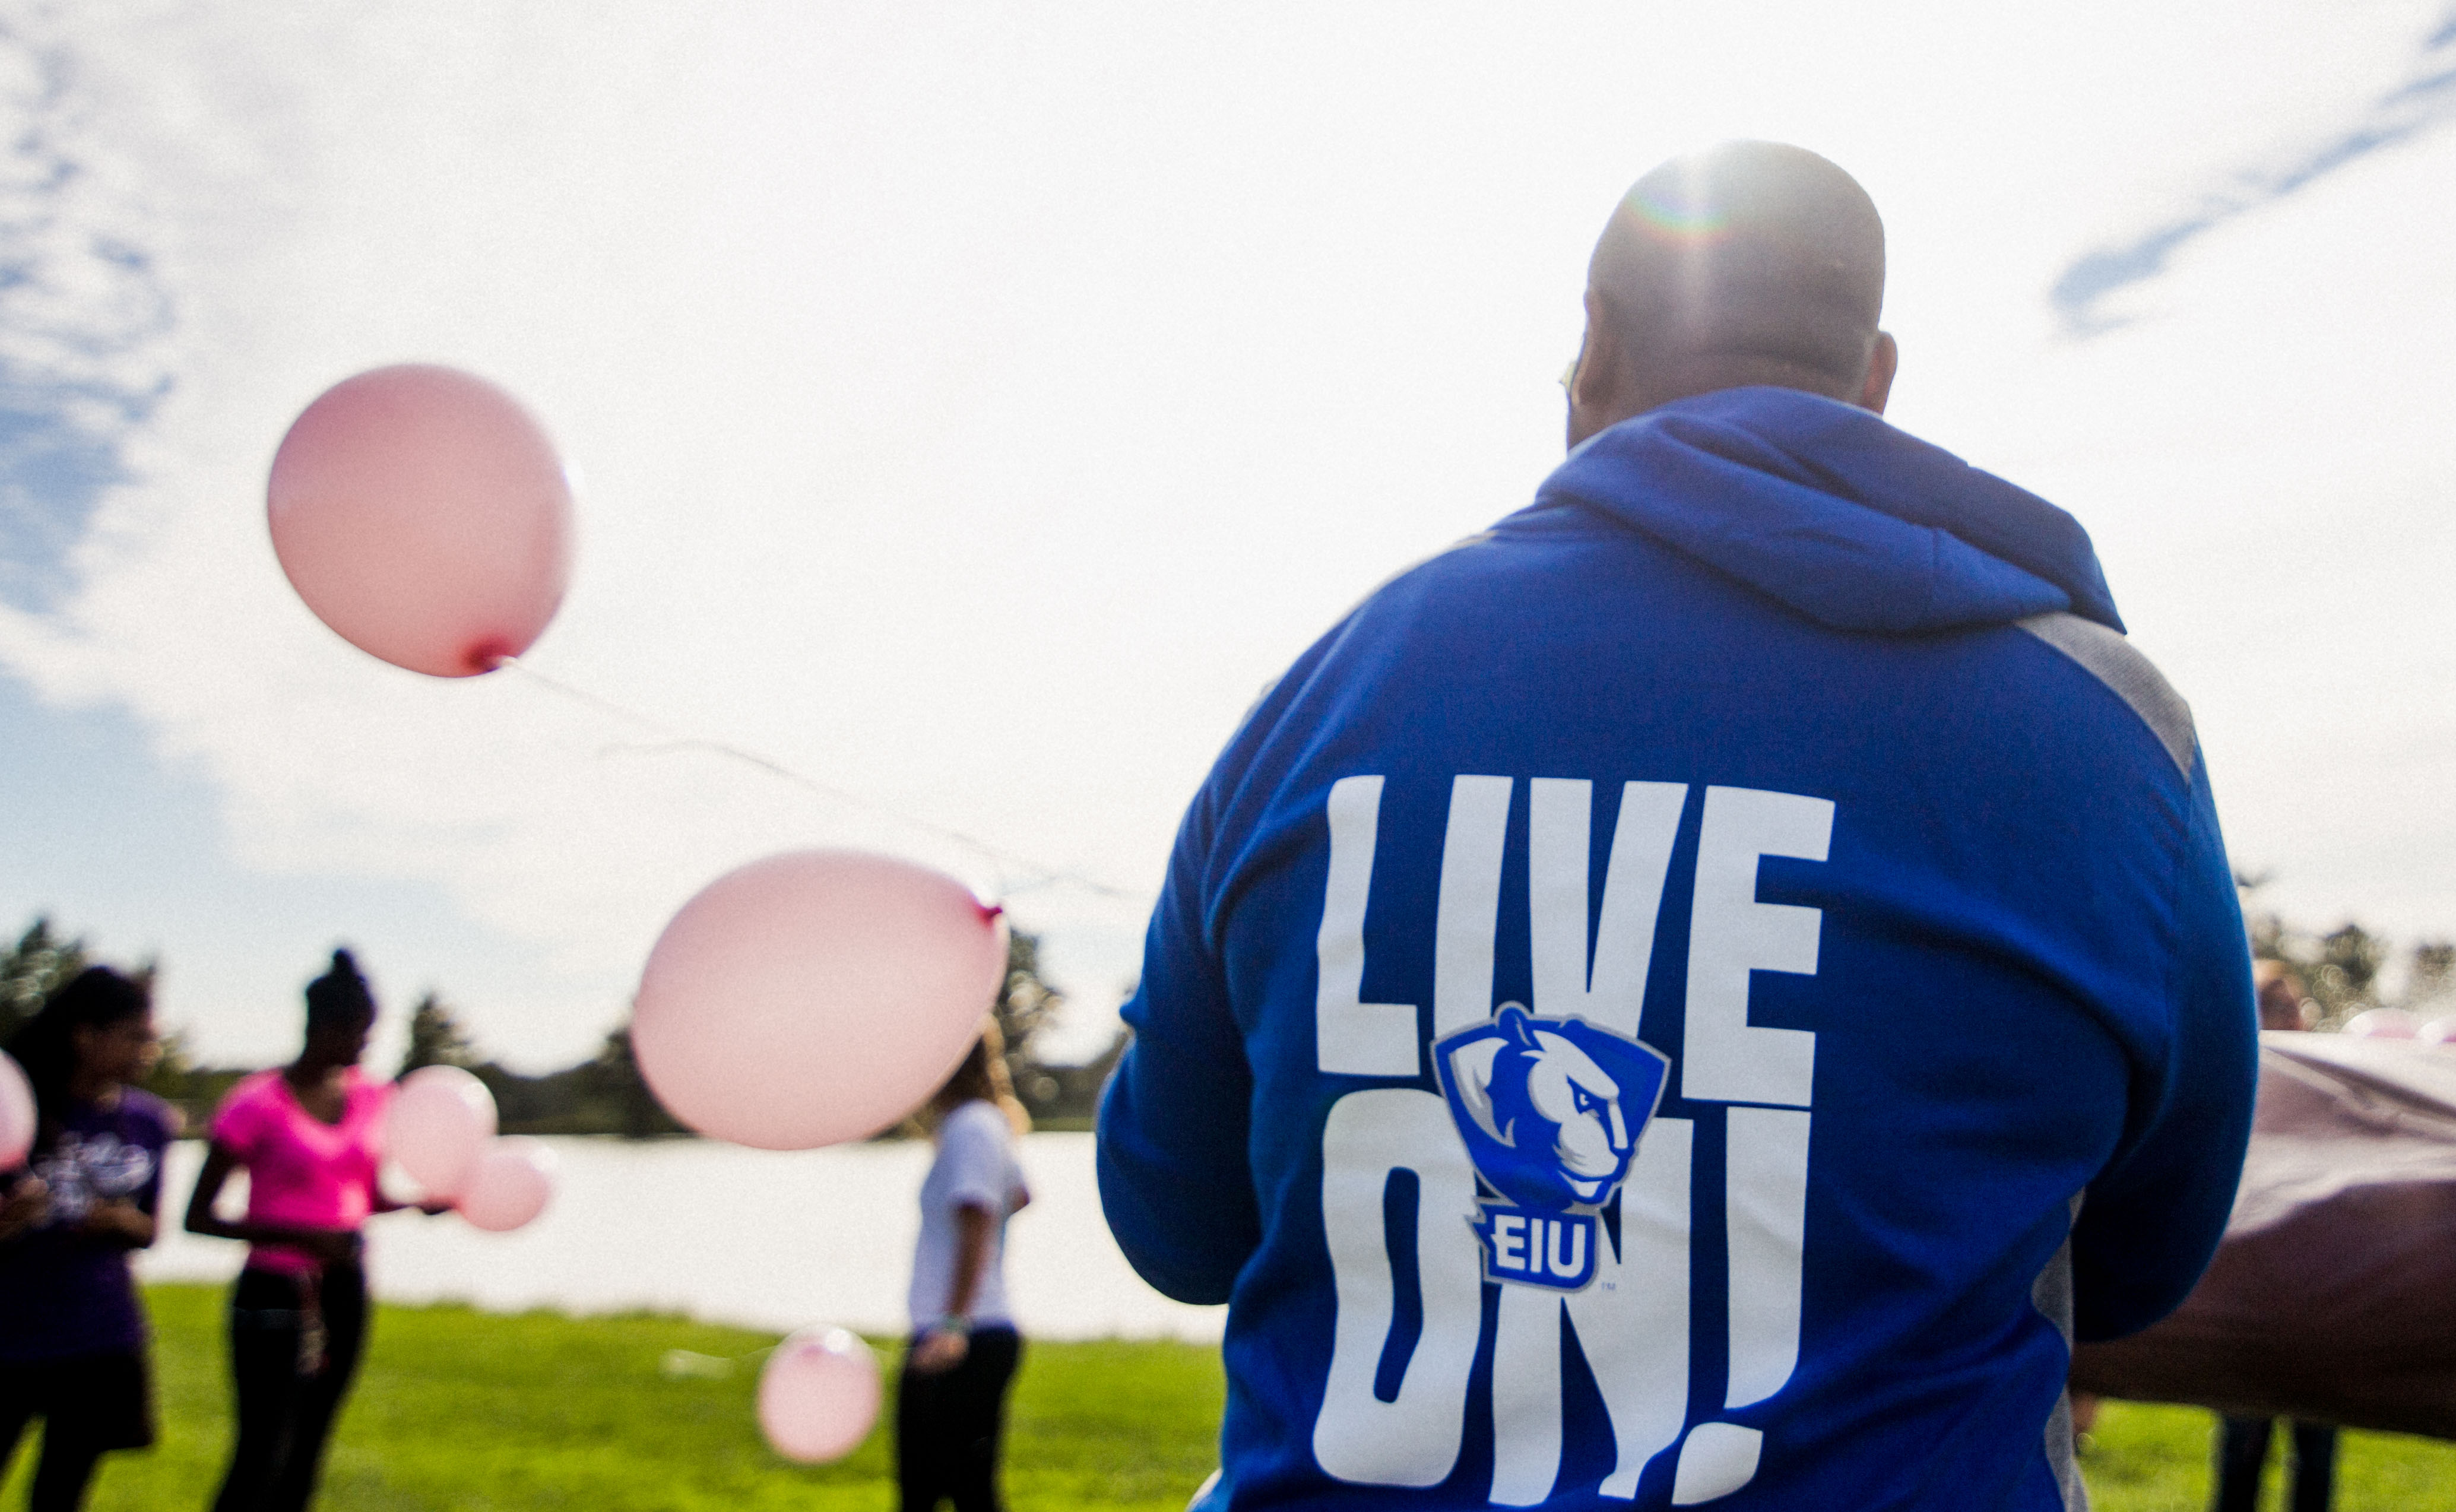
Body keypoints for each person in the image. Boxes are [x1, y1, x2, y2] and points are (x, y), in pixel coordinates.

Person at [1097, 141, 2258, 1508]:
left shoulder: (1321, 701)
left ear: (1592, 342)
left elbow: (1174, 1219)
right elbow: (2144, 1261)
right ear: (1875, 380)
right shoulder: (2112, 734)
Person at [183, 949, 438, 1512]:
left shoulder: (373, 1098)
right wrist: (301, 1238)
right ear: (323, 1027)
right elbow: (198, 1217)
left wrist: (421, 1202)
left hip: (344, 1290)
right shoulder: (256, 1103)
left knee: (309, 1448)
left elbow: (364, 1196)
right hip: (274, 1296)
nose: (365, 1046)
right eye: (359, 1033)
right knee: (262, 1452)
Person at [0, 967, 172, 1512]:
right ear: (86, 1035)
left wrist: (121, 1222)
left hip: (102, 1340)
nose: (149, 1051)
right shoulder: (18, 1112)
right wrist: (7, 1222)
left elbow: (151, 1229)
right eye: (136, 1036)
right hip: (12, 1341)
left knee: (61, 1497)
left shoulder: (149, 1122)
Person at [2207, 961, 2337, 1512]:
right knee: (2243, 1442)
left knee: (2316, 1447)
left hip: (2322, 1292)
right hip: (2253, 1292)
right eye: (2277, 1007)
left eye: (2295, 1006)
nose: (2292, 1017)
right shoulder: (2240, 1081)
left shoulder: (2331, 1084)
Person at [899, 1026, 1036, 1512]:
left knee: (941, 1494)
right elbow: (1019, 1195)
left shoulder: (970, 1126)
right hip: (975, 1332)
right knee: (963, 1491)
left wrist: (954, 1323)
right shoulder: (986, 1123)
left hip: (959, 1336)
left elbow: (978, 1219)